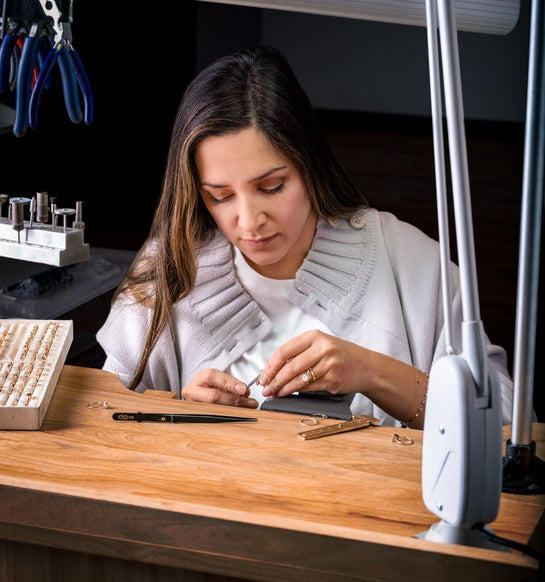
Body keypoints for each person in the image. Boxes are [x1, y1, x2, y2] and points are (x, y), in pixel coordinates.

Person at [97, 46, 513, 428]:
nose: (249, 221)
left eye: (272, 187)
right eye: (220, 197)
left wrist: (373, 373)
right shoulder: (170, 267)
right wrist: (179, 412)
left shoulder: (408, 261)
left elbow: (509, 423)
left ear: (309, 167)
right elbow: (106, 422)